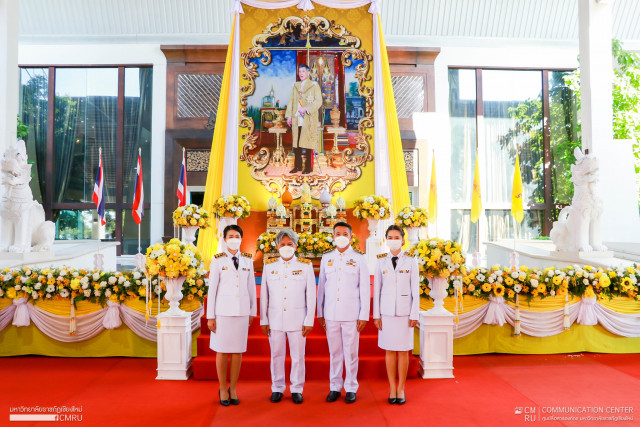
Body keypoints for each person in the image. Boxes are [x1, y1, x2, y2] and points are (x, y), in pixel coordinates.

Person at [260, 230, 316, 404]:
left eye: (289, 244)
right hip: (275, 318)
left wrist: (309, 320)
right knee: (276, 354)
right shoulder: (269, 266)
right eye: (282, 244)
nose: (286, 247)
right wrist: (264, 319)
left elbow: (311, 295)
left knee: (298, 356)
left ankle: (297, 388)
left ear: (295, 246)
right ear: (277, 246)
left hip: (298, 319)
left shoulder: (305, 266)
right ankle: (277, 387)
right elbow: (264, 295)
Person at [317, 221, 370, 404]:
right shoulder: (327, 258)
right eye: (337, 233)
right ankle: (334, 387)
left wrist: (364, 315)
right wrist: (320, 313)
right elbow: (322, 287)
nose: (341, 236)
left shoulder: (359, 258)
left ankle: (351, 387)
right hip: (330, 313)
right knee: (335, 352)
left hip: (351, 314)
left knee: (351, 352)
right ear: (332, 236)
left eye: (344, 233)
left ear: (350, 236)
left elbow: (364, 288)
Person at [206, 224, 257, 406]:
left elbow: (251, 287)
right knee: (222, 350)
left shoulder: (248, 260)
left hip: (242, 312)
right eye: (230, 236)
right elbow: (212, 290)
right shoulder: (218, 260)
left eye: (237, 235)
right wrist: (210, 316)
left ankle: (233, 388)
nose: (234, 238)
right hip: (223, 312)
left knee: (237, 352)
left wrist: (252, 311)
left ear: (241, 239)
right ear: (225, 239)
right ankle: (222, 388)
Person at [372, 225, 420, 405]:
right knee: (390, 351)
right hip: (386, 313)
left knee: (404, 352)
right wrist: (376, 315)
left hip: (405, 313)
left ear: (403, 239)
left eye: (396, 237)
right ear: (386, 239)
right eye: (390, 237)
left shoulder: (411, 260)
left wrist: (414, 313)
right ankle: (392, 387)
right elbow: (377, 289)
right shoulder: (380, 260)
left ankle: (401, 388)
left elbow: (415, 289)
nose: (393, 240)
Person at [285, 63, 323, 175]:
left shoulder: (314, 85)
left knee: (308, 143)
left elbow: (318, 102)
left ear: (308, 72)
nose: (301, 73)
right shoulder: (295, 86)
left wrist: (306, 108)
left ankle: (308, 167)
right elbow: (291, 101)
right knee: (296, 143)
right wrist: (289, 116)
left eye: (303, 71)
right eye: (299, 71)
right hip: (297, 118)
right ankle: (297, 166)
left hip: (308, 119)